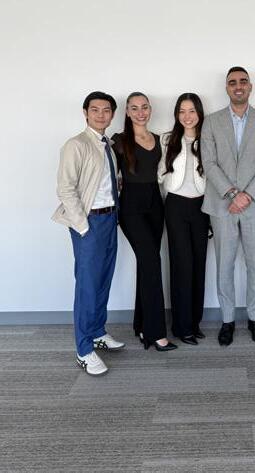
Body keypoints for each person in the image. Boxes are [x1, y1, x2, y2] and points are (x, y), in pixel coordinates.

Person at [201, 66, 255, 346]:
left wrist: (247, 195)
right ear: (226, 88)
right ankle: (228, 320)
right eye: (232, 82)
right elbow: (209, 162)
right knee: (224, 265)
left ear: (250, 86)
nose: (238, 86)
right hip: (222, 205)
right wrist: (233, 194)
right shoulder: (211, 122)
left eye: (243, 81)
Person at [52, 91, 125, 376]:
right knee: (87, 285)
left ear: (112, 114)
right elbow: (65, 188)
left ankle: (97, 332)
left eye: (106, 110)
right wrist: (83, 226)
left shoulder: (108, 145)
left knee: (103, 279)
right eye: (95, 110)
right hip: (89, 223)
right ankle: (84, 349)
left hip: (110, 218)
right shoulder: (76, 144)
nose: (101, 115)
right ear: (85, 113)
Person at [112, 92, 177, 352]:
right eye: (135, 108)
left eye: (145, 107)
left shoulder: (160, 139)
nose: (141, 112)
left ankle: (141, 325)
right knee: (151, 262)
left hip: (155, 206)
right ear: (127, 112)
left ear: (150, 109)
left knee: (146, 264)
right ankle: (156, 333)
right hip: (131, 208)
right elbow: (106, 173)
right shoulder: (119, 141)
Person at [158, 93, 209, 346]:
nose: (187, 116)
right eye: (182, 111)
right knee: (181, 265)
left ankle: (194, 322)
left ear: (199, 112)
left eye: (191, 111)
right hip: (176, 205)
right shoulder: (167, 139)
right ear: (177, 114)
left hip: (202, 207)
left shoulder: (209, 139)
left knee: (199, 264)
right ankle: (181, 326)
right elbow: (159, 174)